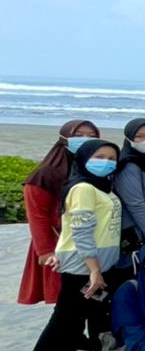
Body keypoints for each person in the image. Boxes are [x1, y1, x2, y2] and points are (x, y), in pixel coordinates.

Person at [15, 139, 123, 351]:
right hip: (82, 268)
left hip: (95, 266)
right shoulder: (83, 188)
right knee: (63, 322)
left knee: (93, 315)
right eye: (99, 155)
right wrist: (94, 270)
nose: (107, 161)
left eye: (111, 157)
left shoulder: (102, 187)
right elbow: (82, 232)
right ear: (83, 159)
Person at [19, 120, 102, 307]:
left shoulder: (94, 169)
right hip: (59, 244)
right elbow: (37, 216)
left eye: (92, 136)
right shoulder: (45, 174)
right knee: (67, 299)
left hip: (91, 241)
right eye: (78, 135)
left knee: (92, 296)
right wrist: (45, 251)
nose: (85, 140)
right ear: (64, 138)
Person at [113, 118, 145, 268]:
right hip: (139, 235)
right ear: (129, 139)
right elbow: (137, 205)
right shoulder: (128, 165)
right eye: (139, 136)